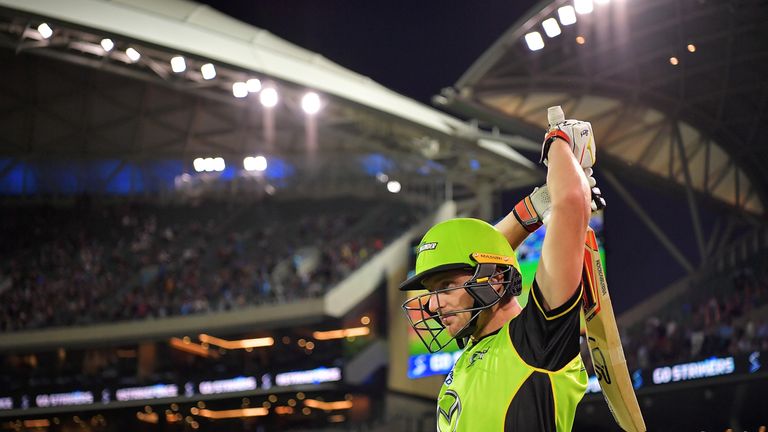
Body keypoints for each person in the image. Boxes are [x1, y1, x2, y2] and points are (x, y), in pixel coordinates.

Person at [400, 110, 598, 431]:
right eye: (431, 291)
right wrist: (536, 206)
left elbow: (572, 201)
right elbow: (492, 251)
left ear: (491, 280)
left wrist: (559, 143)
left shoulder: (537, 338)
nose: (433, 305)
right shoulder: (472, 347)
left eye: (445, 286)